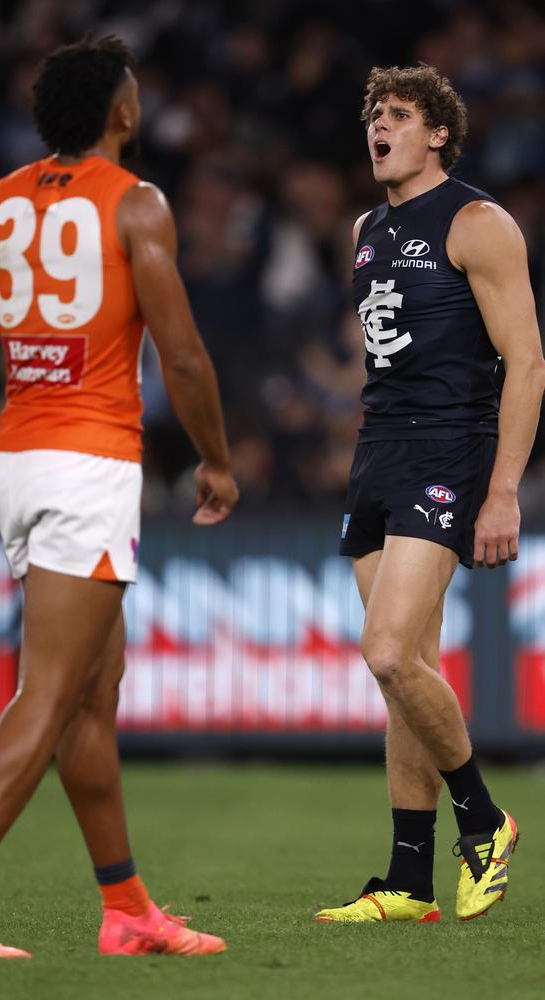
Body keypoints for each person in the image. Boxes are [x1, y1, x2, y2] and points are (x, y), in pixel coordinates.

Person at [0, 36, 238, 958]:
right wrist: (215, 459)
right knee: (49, 695)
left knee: (92, 694)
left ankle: (127, 911)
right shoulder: (138, 206)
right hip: (90, 465)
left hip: (16, 460)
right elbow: (182, 354)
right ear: (122, 113)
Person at [315, 64, 545, 924]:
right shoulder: (365, 229)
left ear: (438, 133)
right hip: (379, 454)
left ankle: (485, 822)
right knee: (403, 673)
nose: (380, 125)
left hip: (451, 451)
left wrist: (505, 492)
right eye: (374, 112)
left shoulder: (478, 222)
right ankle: (408, 881)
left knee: (385, 651)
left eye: (400, 114)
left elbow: (527, 361)